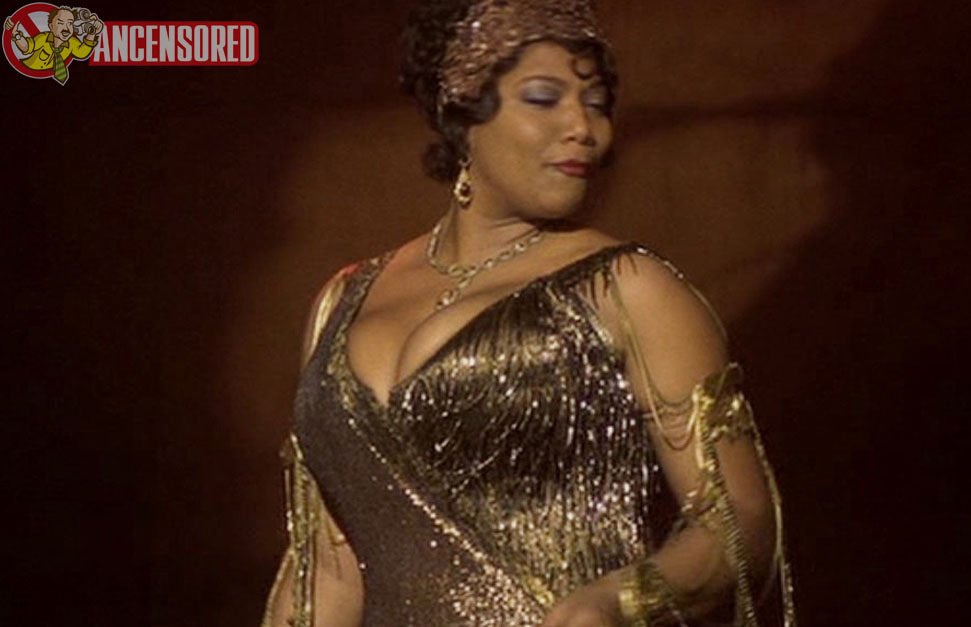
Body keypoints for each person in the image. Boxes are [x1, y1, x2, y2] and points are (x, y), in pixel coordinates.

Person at [261, 1, 796, 626]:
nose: (583, 127)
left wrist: (616, 601)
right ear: (461, 108)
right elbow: (325, 570)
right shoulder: (342, 300)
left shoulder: (629, 290)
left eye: (597, 104)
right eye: (544, 98)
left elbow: (739, 522)